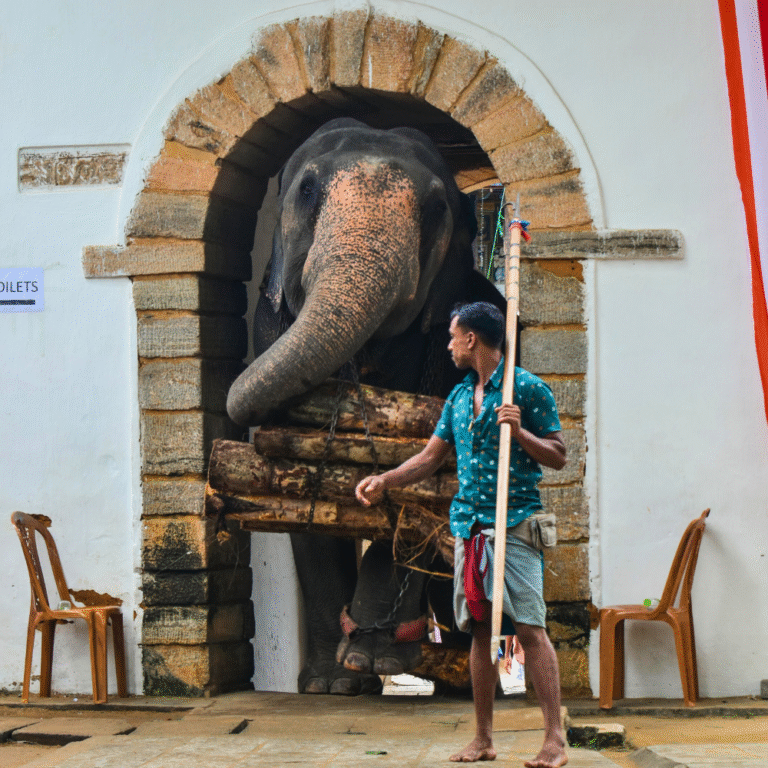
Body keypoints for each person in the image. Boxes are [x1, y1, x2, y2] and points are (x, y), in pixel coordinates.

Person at [355, 302, 568, 768]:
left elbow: (558, 455)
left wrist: (520, 432)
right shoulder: (457, 397)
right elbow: (430, 458)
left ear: (472, 339)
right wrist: (386, 480)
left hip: (514, 527)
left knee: (531, 631)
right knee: (476, 633)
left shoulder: (526, 389)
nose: (448, 345)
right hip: (469, 530)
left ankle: (554, 740)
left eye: (453, 336)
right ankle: (483, 739)